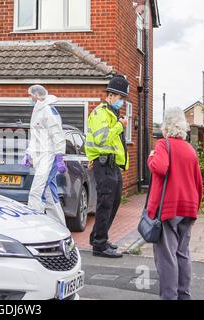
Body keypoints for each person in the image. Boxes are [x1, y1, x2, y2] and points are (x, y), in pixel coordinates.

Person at [148, 108, 203, 300]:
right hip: (188, 209)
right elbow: (199, 183)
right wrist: (195, 208)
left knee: (167, 257)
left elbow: (160, 167)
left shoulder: (163, 145)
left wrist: (151, 156)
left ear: (166, 126)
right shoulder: (190, 149)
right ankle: (183, 295)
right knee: (182, 253)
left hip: (169, 210)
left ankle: (169, 297)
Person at [86, 75, 130, 258]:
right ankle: (99, 246)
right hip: (103, 164)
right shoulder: (100, 114)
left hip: (112, 165)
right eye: (121, 98)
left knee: (115, 201)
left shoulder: (112, 113)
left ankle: (98, 236)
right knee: (105, 203)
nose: (122, 102)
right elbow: (102, 138)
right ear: (111, 96)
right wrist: (120, 126)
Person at [22, 85, 68, 226]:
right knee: (49, 194)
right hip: (41, 157)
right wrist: (28, 153)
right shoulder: (38, 109)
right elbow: (36, 136)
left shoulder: (48, 110)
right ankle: (60, 227)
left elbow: (57, 134)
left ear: (36, 96)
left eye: (31, 96)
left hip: (49, 157)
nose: (30, 98)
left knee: (36, 192)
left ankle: (34, 226)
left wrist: (59, 156)